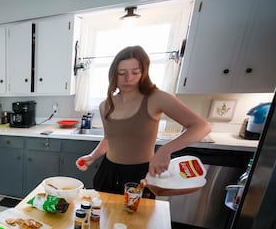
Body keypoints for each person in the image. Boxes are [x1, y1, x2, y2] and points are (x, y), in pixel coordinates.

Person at [76, 45, 211, 196]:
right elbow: (109, 138)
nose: (129, 78)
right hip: (108, 171)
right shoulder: (105, 105)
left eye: (135, 72)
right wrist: (92, 156)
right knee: (102, 217)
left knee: (138, 218)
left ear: (143, 72)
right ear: (114, 74)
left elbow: (202, 126)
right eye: (122, 73)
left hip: (141, 174)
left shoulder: (156, 98)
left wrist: (166, 149)